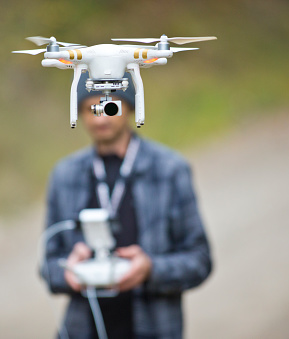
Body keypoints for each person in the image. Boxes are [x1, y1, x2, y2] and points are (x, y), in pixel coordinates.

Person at [42, 72, 212, 339]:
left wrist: (151, 269)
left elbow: (200, 260)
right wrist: (69, 272)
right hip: (82, 329)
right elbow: (48, 264)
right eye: (90, 109)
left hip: (154, 328)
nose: (100, 118)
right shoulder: (65, 175)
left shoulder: (169, 170)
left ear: (130, 106)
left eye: (110, 107)